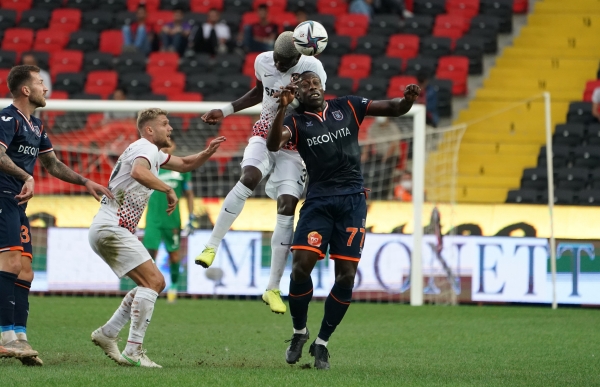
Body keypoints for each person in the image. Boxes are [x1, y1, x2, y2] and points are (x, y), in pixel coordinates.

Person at [266, 71, 420, 369]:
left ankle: (322, 342)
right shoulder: (295, 122)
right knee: (300, 268)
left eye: (315, 84)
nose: (312, 88)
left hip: (352, 201)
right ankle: (300, 332)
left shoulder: (347, 106)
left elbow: (392, 108)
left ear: (323, 87)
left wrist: (407, 100)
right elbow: (273, 144)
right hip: (319, 202)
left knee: (346, 275)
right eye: (305, 86)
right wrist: (282, 107)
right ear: (297, 93)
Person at [195, 31, 327, 315]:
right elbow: (259, 91)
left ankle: (273, 288)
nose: (278, 66)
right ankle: (211, 246)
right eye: (277, 60)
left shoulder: (312, 69)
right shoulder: (262, 61)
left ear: (297, 58)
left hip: (295, 143)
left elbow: (316, 103)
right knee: (249, 177)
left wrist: (294, 96)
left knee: (288, 205)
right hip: (264, 130)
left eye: (284, 63)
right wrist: (226, 109)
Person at [89, 108, 225, 368]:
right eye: (165, 124)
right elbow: (139, 172)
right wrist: (168, 189)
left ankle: (107, 333)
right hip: (112, 226)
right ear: (150, 130)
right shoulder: (145, 147)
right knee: (155, 281)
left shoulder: (149, 151)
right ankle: (133, 350)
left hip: (107, 227)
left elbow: (185, 164)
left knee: (148, 283)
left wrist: (206, 153)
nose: (170, 128)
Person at [0, 65, 113, 365]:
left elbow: (52, 165)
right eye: (39, 83)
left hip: (17, 204)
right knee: (10, 263)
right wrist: (26, 176)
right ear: (26, 90)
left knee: (25, 270)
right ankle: (4, 337)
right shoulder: (6, 118)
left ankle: (20, 338)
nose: (45, 88)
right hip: (1, 199)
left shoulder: (36, 126)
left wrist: (85, 180)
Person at [142, 136, 194, 303]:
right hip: (153, 219)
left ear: (174, 147)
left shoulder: (180, 169)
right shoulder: (150, 166)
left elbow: (189, 194)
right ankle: (149, 288)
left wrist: (191, 217)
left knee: (174, 255)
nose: (166, 148)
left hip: (172, 220)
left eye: (169, 145)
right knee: (150, 255)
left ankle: (174, 287)